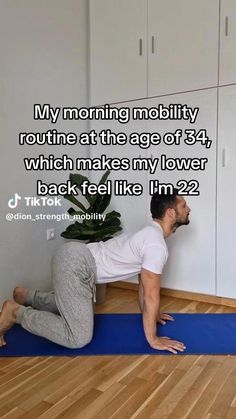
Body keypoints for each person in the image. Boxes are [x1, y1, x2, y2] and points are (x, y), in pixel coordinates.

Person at [0, 189, 191, 353]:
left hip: (77, 259)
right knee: (78, 337)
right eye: (184, 205)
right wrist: (153, 339)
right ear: (170, 213)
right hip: (76, 264)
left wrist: (153, 314)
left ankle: (27, 296)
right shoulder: (155, 244)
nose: (188, 209)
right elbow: (150, 294)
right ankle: (16, 313)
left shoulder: (150, 233)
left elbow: (144, 285)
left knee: (78, 310)